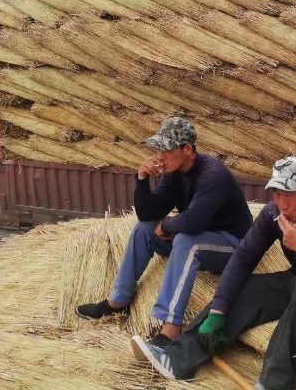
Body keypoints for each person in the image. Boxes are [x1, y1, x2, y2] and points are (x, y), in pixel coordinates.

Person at [130, 156, 296, 390]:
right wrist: (218, 309)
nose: (283, 204)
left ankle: (273, 383)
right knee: (249, 288)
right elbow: (242, 259)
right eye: (278, 195)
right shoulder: (274, 214)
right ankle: (177, 358)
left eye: (290, 195)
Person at [76, 117, 253, 346]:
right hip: (199, 236)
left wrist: (168, 225)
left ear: (187, 149)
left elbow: (194, 222)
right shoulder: (174, 174)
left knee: (187, 241)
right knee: (143, 229)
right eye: (158, 149)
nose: (160, 156)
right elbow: (148, 215)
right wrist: (142, 179)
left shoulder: (213, 175)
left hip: (232, 245)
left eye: (166, 150)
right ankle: (118, 301)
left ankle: (171, 326)